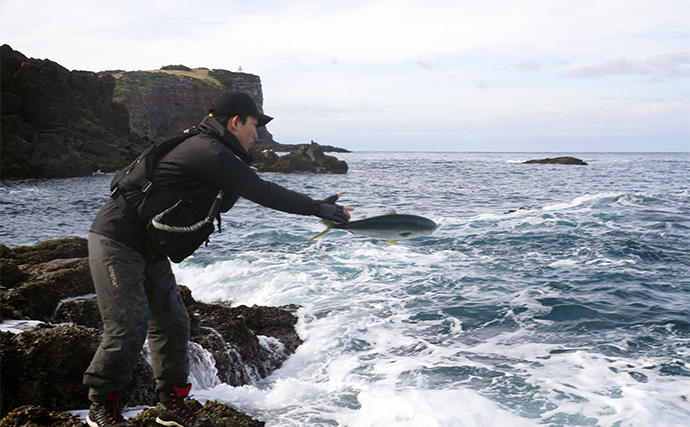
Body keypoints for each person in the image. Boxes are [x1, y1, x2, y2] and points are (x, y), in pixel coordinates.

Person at [84, 91, 352, 427]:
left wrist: (315, 204)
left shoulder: (217, 153)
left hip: (148, 245)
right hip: (117, 239)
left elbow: (240, 193)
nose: (257, 134)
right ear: (235, 121)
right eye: (254, 125)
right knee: (129, 326)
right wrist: (318, 208)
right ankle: (101, 409)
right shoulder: (208, 151)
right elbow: (263, 191)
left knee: (174, 324)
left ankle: (171, 406)